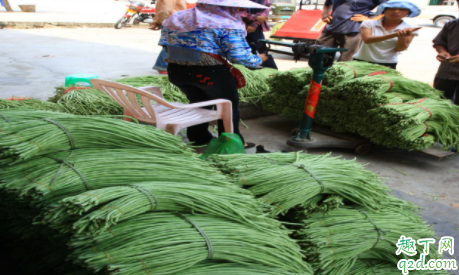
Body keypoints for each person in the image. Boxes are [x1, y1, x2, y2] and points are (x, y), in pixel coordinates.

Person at [159, 0, 269, 148]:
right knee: (227, 107)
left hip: (176, 71)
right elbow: (239, 56)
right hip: (209, 73)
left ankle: (199, 137)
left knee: (199, 103)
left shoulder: (177, 18)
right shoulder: (226, 23)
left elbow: (166, 44)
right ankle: (231, 143)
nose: (238, 12)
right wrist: (258, 59)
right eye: (236, 8)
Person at [353, 1, 421, 69]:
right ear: (384, 10)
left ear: (408, 12)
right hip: (362, 61)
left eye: (402, 9)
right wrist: (395, 34)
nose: (396, 11)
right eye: (391, 8)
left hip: (388, 63)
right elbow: (367, 40)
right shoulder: (369, 23)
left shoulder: (410, 28)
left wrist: (402, 37)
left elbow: (400, 49)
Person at [318, 0, 387, 61]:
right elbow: (327, 3)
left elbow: (389, 7)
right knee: (319, 57)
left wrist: (371, 20)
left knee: (346, 61)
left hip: (354, 30)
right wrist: (324, 13)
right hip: (331, 27)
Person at [432, 0, 459, 105]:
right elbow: (439, 42)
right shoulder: (451, 24)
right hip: (446, 72)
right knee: (439, 103)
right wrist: (442, 51)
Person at [150, 0, 187, 74]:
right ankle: (162, 66)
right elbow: (165, 10)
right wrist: (168, 21)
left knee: (175, 44)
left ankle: (164, 66)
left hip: (175, 21)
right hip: (174, 22)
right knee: (171, 44)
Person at [240, 0, 278, 69]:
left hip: (255, 28)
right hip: (238, 26)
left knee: (260, 49)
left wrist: (254, 24)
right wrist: (256, 18)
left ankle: (271, 73)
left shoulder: (263, 1)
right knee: (241, 51)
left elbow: (264, 13)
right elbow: (237, 12)